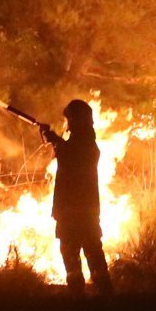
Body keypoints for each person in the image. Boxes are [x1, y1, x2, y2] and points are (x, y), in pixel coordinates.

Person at [40, 100, 113, 296]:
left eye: (70, 118)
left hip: (75, 210)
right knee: (88, 253)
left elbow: (71, 159)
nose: (68, 123)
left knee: (78, 255)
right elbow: (68, 154)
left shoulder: (85, 145)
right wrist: (55, 140)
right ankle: (101, 296)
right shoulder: (85, 142)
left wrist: (54, 139)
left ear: (78, 119)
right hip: (82, 210)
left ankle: (84, 296)